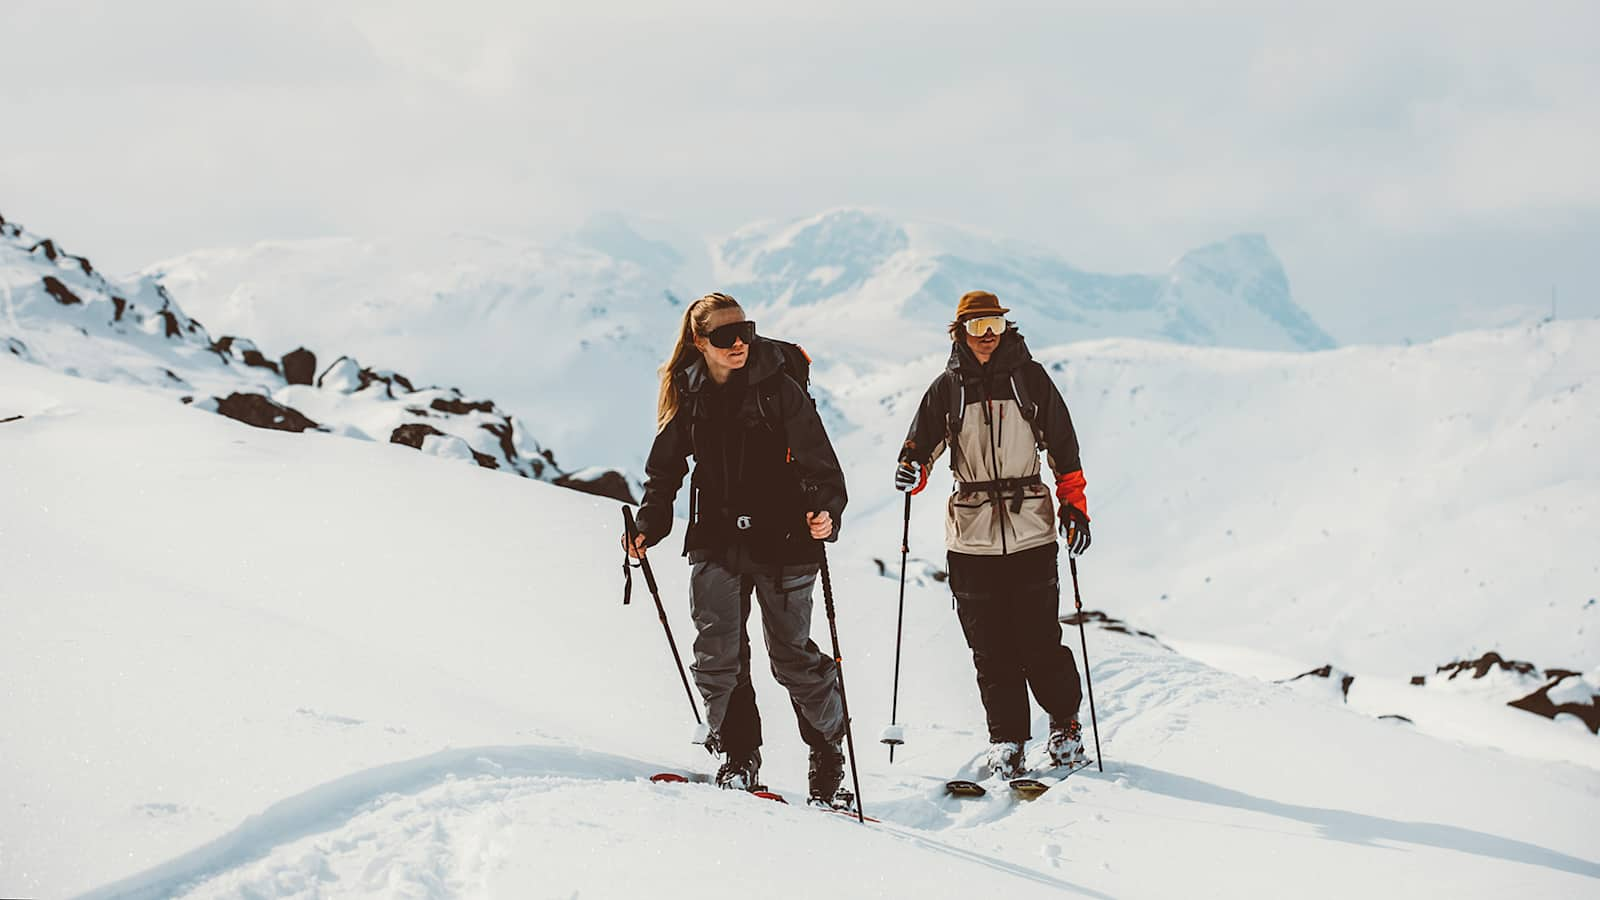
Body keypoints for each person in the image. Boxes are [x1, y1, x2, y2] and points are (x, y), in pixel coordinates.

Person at [625, 292, 851, 803]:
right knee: (718, 654)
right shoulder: (691, 394)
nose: (739, 343)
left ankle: (829, 753)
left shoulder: (780, 388)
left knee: (792, 657)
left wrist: (826, 511)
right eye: (725, 336)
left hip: (786, 540)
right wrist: (648, 523)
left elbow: (821, 463)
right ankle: (738, 756)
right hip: (718, 540)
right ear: (700, 342)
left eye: (745, 331)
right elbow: (665, 472)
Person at [893, 290, 1093, 779]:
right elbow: (919, 451)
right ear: (959, 331)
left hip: (1031, 532)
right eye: (978, 327)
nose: (987, 337)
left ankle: (1065, 726)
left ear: (1007, 328)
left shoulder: (1031, 381)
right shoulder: (947, 389)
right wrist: (911, 470)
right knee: (990, 646)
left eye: (996, 326)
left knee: (1039, 640)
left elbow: (1063, 448)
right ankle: (1007, 738)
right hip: (972, 537)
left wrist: (1075, 507)